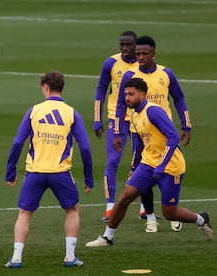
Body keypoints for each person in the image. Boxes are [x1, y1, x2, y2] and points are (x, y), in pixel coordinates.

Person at [85, 78, 212, 247]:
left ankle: (201, 219)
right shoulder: (135, 115)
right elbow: (139, 144)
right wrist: (134, 166)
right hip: (148, 163)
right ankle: (107, 238)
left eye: (131, 94)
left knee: (169, 213)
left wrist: (161, 166)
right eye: (125, 95)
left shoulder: (153, 111)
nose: (127, 98)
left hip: (171, 166)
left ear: (142, 94)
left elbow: (173, 137)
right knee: (125, 197)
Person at [4, 71, 94, 268]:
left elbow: (18, 142)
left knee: (24, 213)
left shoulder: (34, 110)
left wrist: (10, 171)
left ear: (45, 87)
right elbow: (85, 147)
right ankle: (70, 256)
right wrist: (89, 177)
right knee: (72, 210)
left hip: (35, 173)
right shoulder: (72, 113)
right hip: (61, 173)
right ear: (62, 88)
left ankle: (16, 257)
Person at [114, 35, 192, 233]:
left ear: (153, 54)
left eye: (144, 53)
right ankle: (149, 216)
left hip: (164, 132)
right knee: (142, 175)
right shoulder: (129, 76)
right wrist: (117, 130)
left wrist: (186, 125)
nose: (140, 57)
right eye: (137, 53)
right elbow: (121, 105)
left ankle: (172, 212)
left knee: (169, 172)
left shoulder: (166, 74)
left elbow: (179, 98)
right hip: (137, 131)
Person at [93, 31, 139, 222]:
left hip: (140, 119)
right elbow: (101, 90)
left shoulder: (143, 65)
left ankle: (145, 207)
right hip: (116, 118)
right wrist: (97, 118)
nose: (125, 48)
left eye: (128, 45)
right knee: (112, 161)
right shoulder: (111, 63)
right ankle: (110, 207)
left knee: (143, 162)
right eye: (122, 45)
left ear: (136, 45)